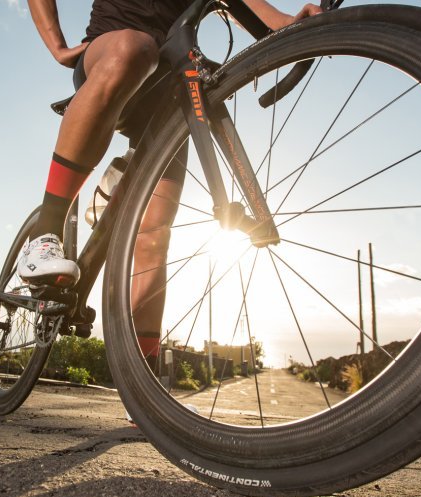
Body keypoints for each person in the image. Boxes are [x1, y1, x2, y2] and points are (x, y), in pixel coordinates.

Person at [22, 0, 323, 357]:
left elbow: (250, 5)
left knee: (154, 237)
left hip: (169, 85)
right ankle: (47, 229)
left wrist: (291, 23)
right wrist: (56, 46)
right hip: (111, 51)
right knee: (134, 48)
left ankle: (143, 392)